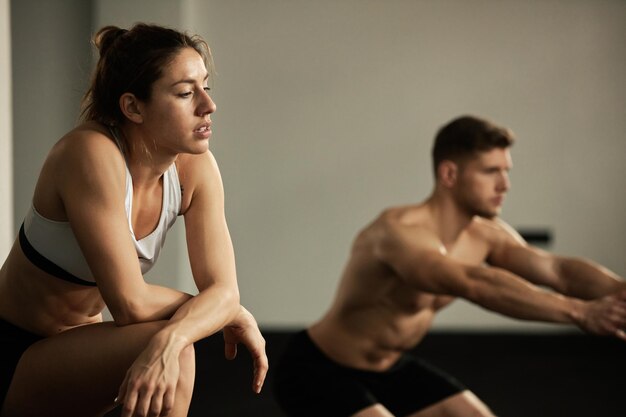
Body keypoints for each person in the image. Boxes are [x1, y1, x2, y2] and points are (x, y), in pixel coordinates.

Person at [273, 114, 626, 417]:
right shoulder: (398, 232)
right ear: (449, 174)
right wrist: (580, 313)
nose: (505, 184)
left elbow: (557, 271)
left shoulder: (486, 235)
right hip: (317, 368)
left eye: (505, 170)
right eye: (491, 172)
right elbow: (473, 283)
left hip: (390, 367)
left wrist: (619, 293)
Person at [0, 23, 268, 417]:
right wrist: (223, 310)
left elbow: (224, 290)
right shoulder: (89, 154)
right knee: (173, 350)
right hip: (14, 351)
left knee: (171, 347)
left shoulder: (196, 169)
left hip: (84, 349)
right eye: (184, 93)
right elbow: (130, 304)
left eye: (205, 87)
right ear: (133, 107)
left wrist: (180, 332)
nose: (208, 106)